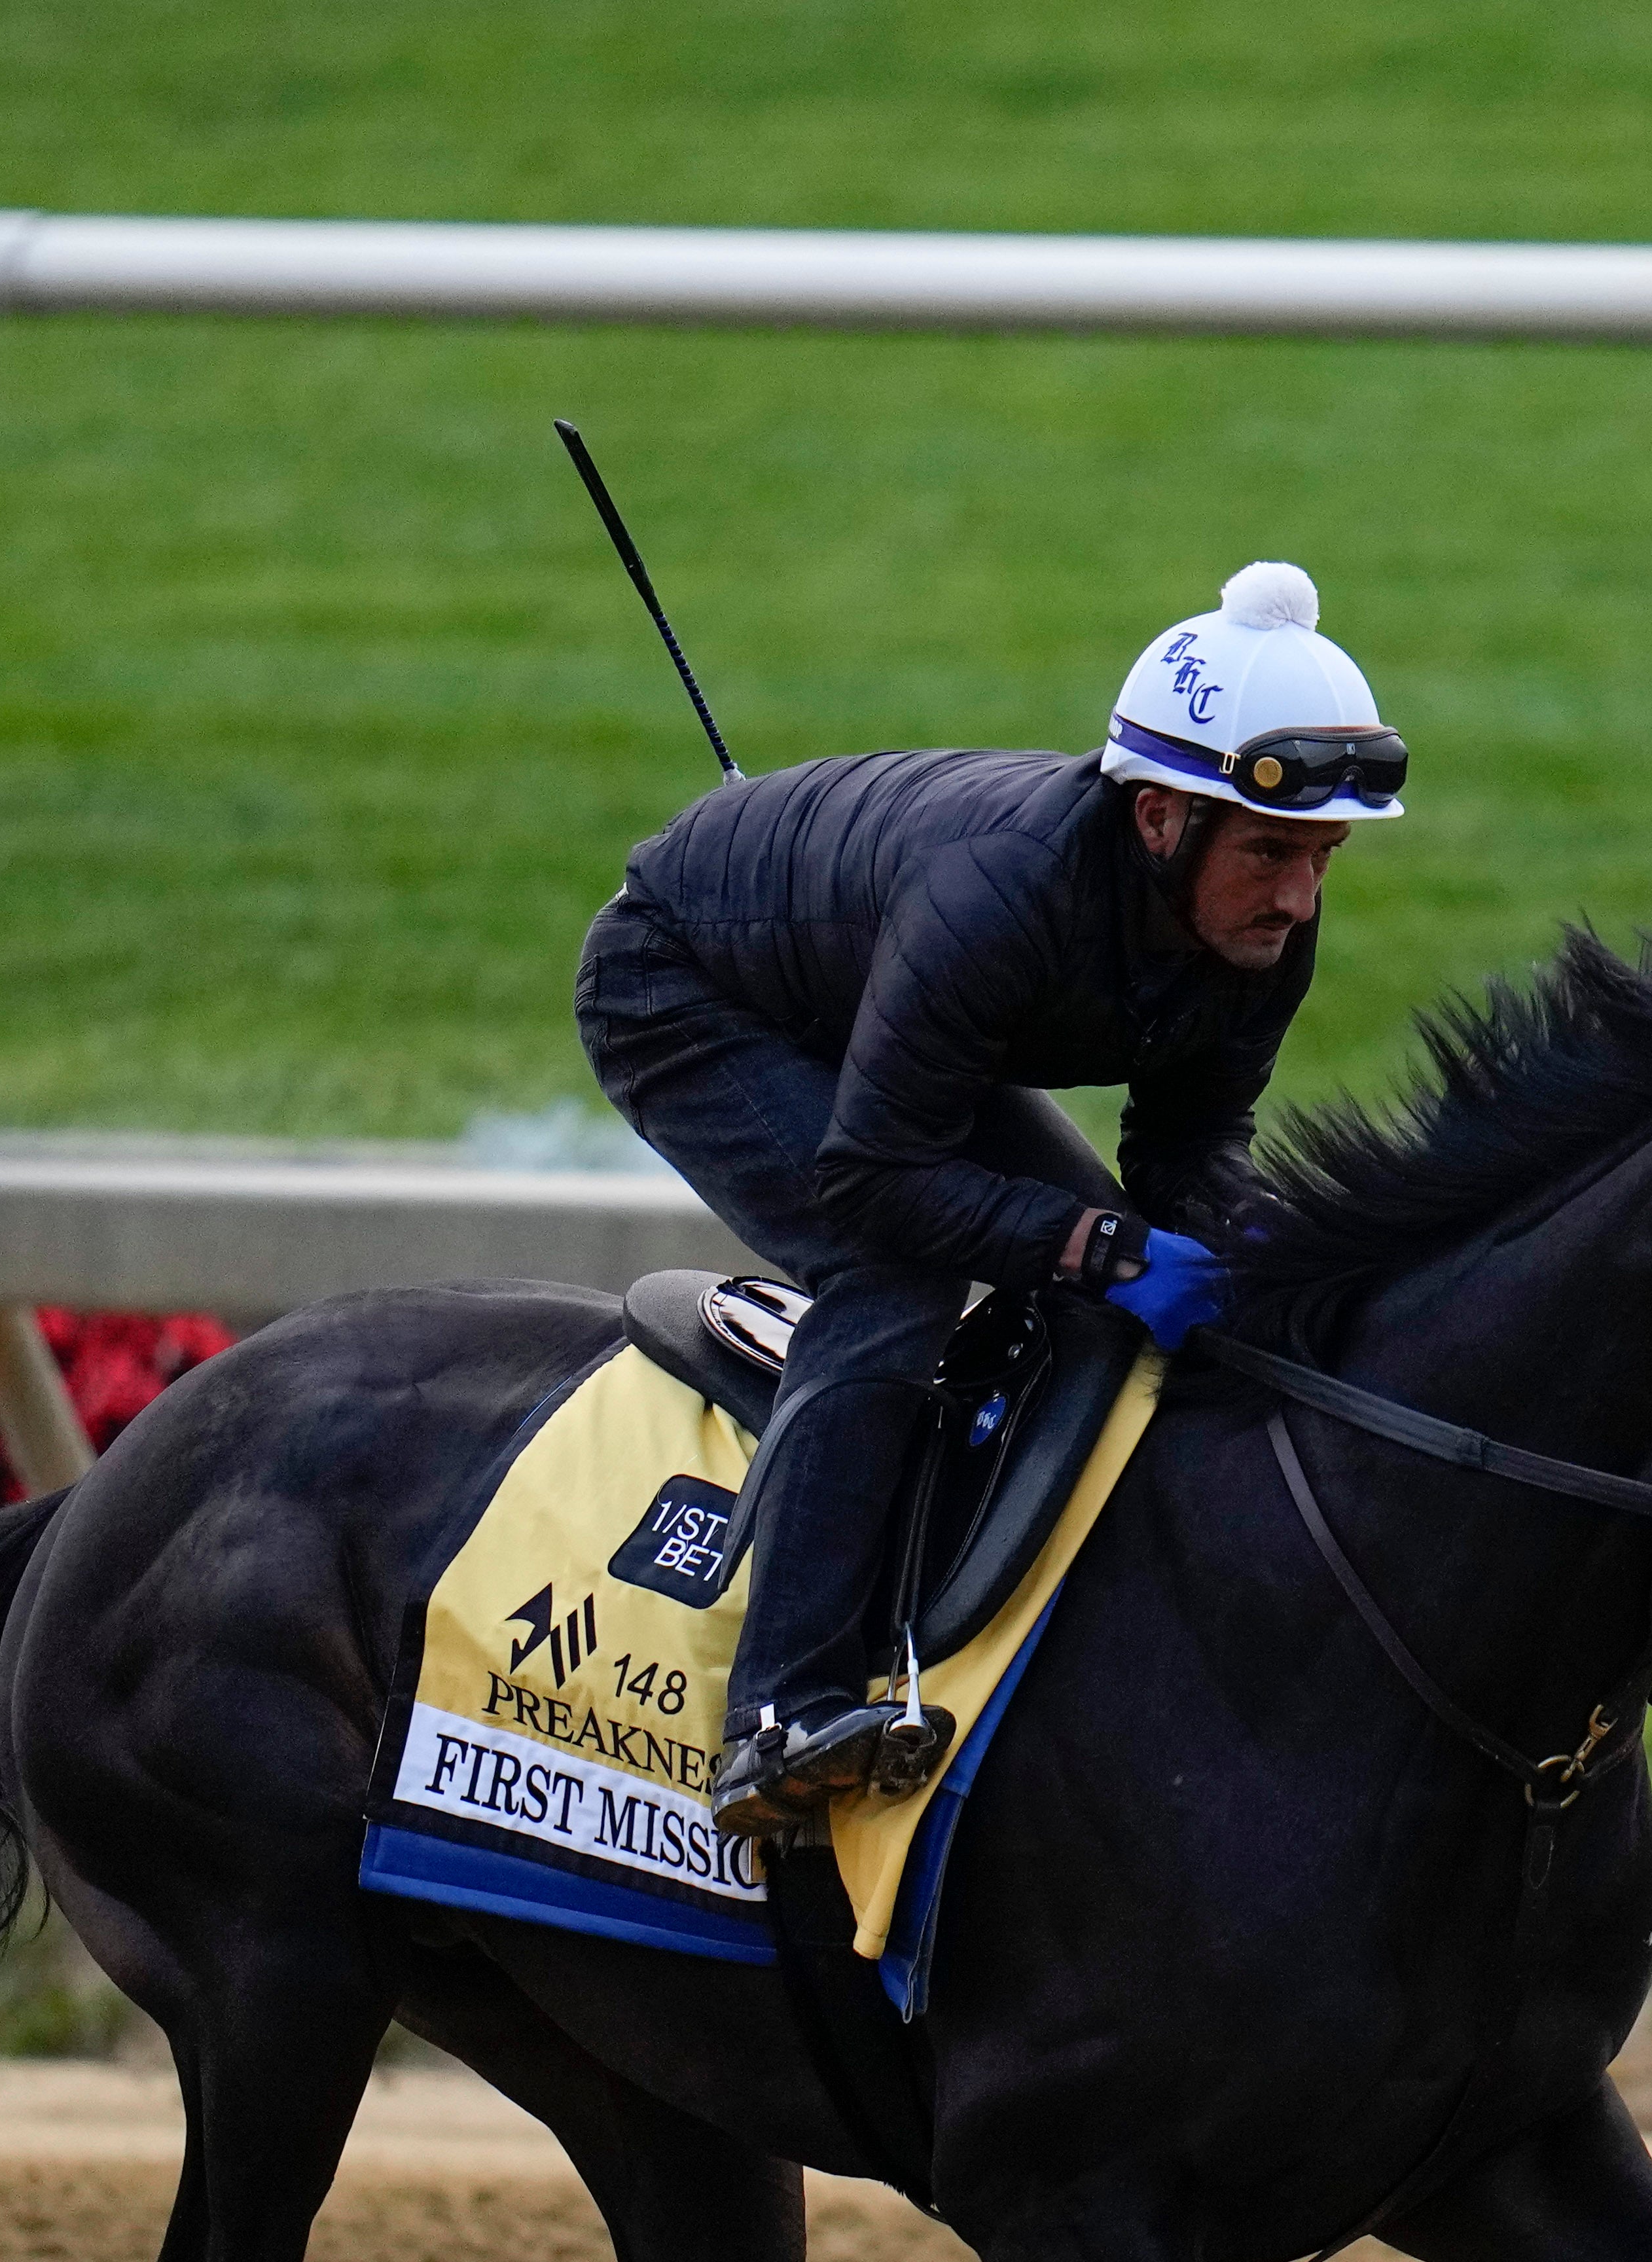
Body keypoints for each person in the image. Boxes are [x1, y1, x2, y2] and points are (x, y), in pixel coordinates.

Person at [573, 559, 1408, 1840]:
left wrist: (1262, 1265)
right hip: (691, 990)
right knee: (890, 1272)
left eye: (1325, 858)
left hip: (880, 1021)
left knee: (1119, 1288)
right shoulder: (1003, 896)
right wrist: (1102, 1244)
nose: (1297, 899)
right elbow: (876, 1175)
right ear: (1157, 821)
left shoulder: (1261, 932)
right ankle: (780, 1714)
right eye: (1273, 853)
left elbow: (1190, 1146)